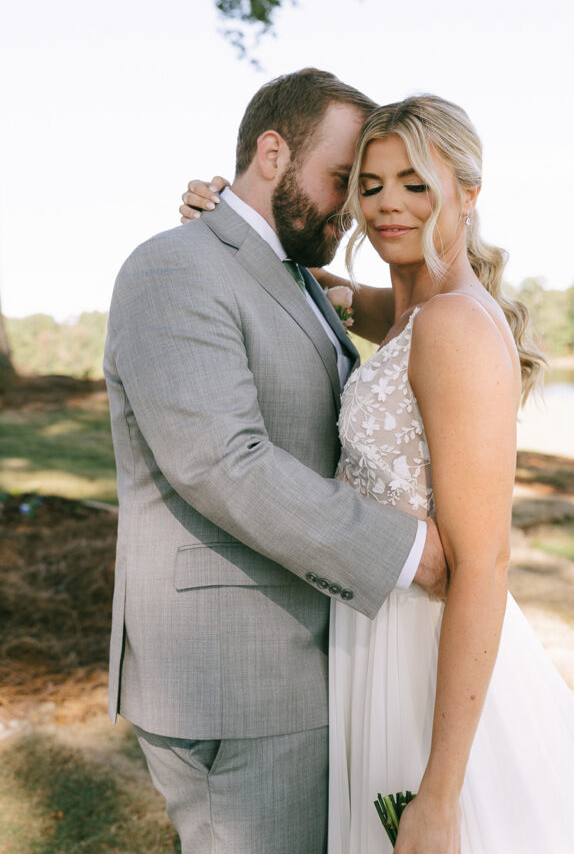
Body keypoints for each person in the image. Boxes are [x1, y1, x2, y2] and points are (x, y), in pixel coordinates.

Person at [183, 94, 574, 853]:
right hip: (375, 636)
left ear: (468, 193)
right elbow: (323, 295)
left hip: (421, 662)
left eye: (415, 183)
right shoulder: (417, 308)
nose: (388, 206)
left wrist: (442, 792)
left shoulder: (451, 325)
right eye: (370, 185)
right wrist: (233, 219)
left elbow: (485, 562)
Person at [104, 69, 447, 854]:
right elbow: (221, 463)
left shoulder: (292, 278)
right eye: (343, 180)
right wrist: (404, 549)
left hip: (306, 662)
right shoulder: (174, 267)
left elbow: (443, 321)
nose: (357, 208)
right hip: (233, 676)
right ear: (270, 154)